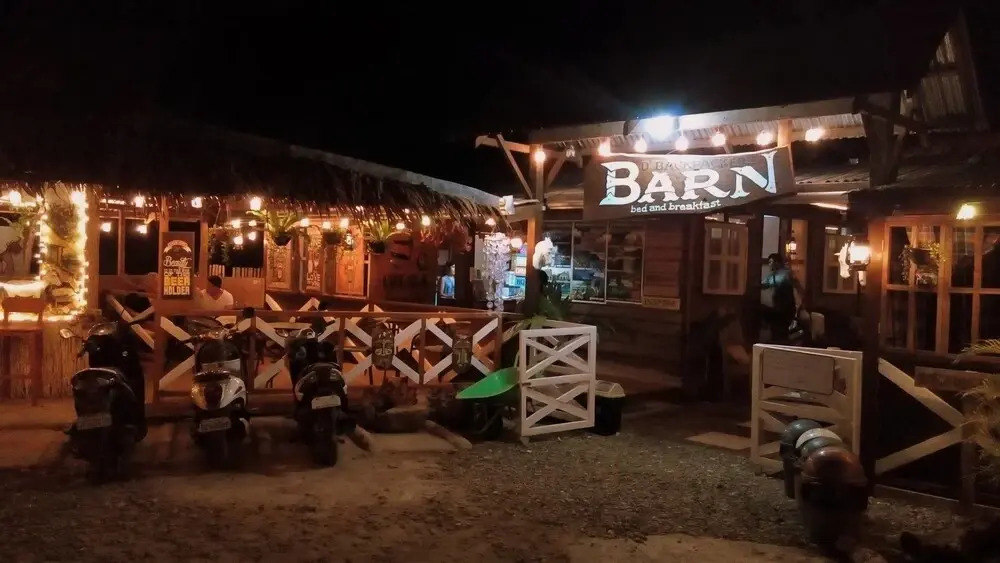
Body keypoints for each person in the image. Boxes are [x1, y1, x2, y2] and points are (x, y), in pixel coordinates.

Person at [761, 253, 799, 342]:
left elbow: (795, 285)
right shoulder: (771, 276)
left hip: (786, 308)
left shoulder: (786, 274)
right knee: (776, 330)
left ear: (777, 263)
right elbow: (764, 284)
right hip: (778, 307)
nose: (769, 264)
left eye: (771, 262)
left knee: (780, 330)